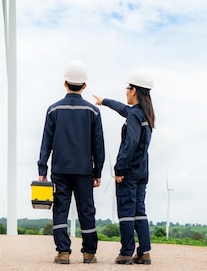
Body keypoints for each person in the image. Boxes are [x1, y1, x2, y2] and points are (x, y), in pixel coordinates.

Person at [37, 59, 105, 265]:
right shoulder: (93, 112)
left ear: (65, 83)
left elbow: (45, 142)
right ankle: (89, 253)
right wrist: (98, 171)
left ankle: (63, 252)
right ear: (85, 85)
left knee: (60, 209)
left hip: (60, 170)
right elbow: (98, 146)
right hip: (84, 171)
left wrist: (42, 169)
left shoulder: (53, 110)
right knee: (86, 210)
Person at [93, 68, 155, 265]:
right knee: (139, 211)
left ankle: (127, 252)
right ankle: (144, 252)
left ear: (134, 90)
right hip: (142, 171)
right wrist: (105, 101)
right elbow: (124, 109)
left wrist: (119, 169)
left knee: (126, 212)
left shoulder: (135, 116)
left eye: (127, 88)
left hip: (128, 172)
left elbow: (130, 144)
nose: (126, 91)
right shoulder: (144, 113)